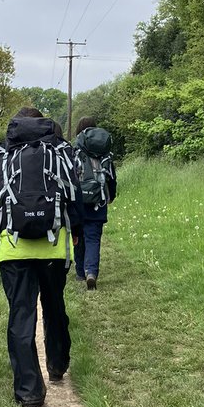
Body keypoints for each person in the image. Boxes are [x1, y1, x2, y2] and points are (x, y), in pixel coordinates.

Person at [0, 107, 81, 407]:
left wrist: (4, 236)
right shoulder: (60, 154)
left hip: (13, 249)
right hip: (54, 248)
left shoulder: (2, 157)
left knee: (21, 314)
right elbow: (74, 198)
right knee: (54, 305)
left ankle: (29, 393)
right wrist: (74, 233)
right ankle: (57, 364)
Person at [71, 115, 117, 290]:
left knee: (78, 236)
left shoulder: (76, 150)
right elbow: (111, 176)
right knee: (92, 237)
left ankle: (80, 273)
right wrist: (111, 195)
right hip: (98, 201)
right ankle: (91, 272)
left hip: (79, 201)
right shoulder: (104, 151)